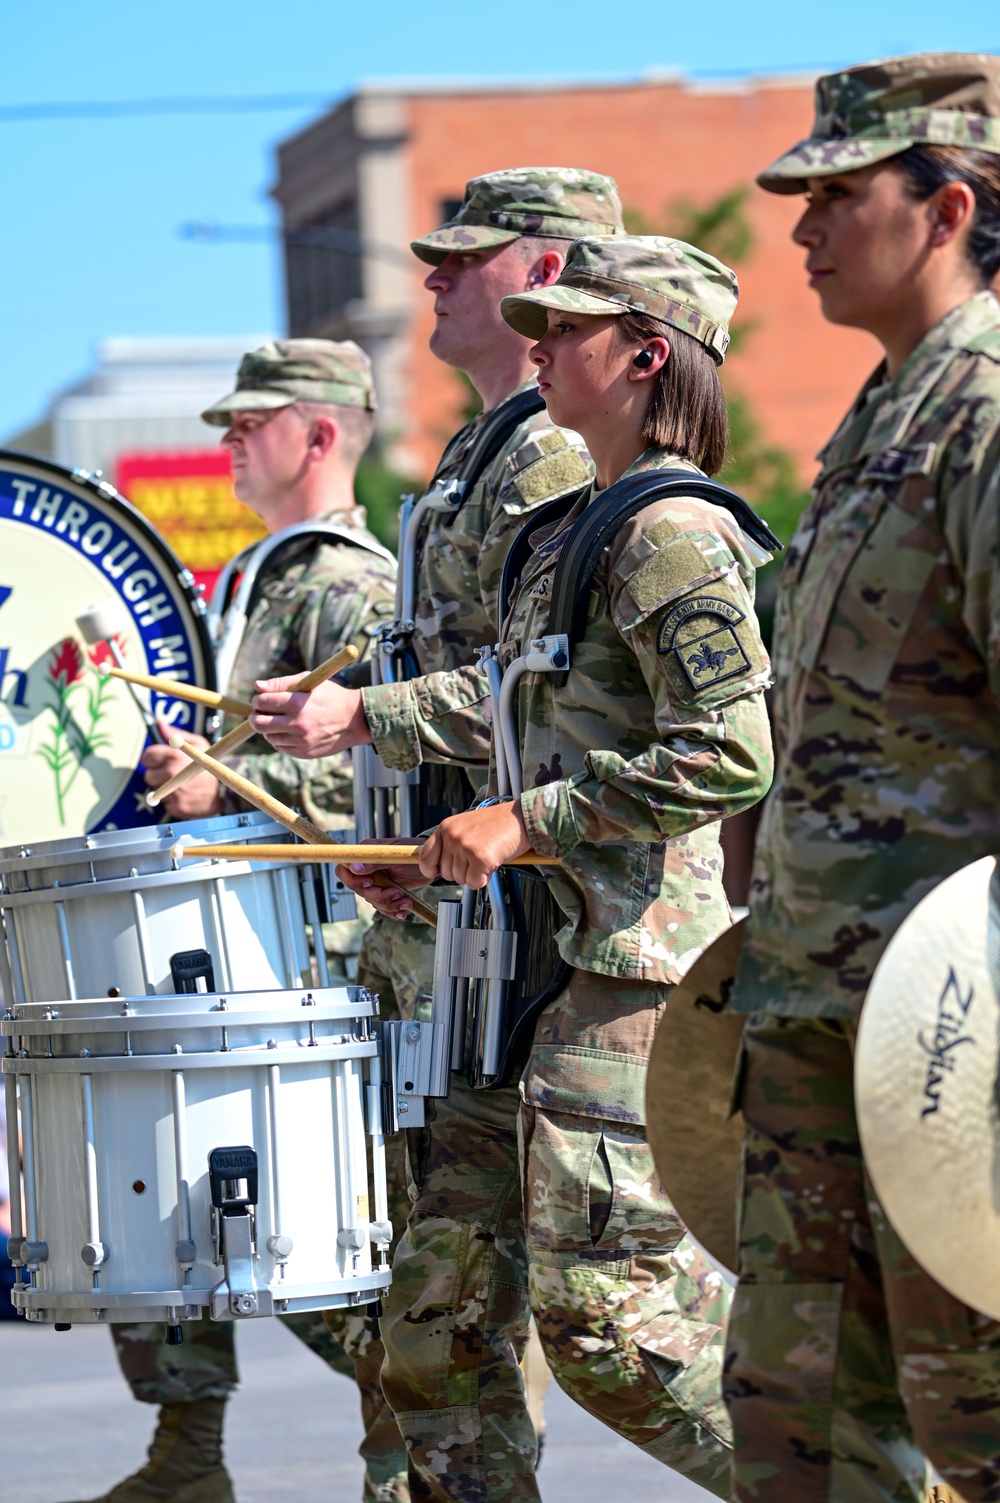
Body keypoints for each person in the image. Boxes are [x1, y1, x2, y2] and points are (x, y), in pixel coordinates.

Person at [325, 234, 775, 1501]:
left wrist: (523, 827)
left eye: (566, 323)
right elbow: (525, 718)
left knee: (614, 1332)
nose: (536, 341)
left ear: (644, 354)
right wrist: (442, 858)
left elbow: (729, 753)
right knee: (443, 1323)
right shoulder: (573, 530)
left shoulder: (675, 531)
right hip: (516, 958)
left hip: (623, 975)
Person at [248, 169, 623, 1492]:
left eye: (469, 257)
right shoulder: (479, 450)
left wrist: (364, 714)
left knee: (618, 1338)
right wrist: (402, 830)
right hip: (460, 931)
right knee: (439, 1331)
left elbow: (541, 692)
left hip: (556, 948)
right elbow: (472, 677)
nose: (436, 277)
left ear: (554, 271)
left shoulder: (555, 449)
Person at [720, 52, 1000, 1503]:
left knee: (980, 1425)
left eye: (839, 193)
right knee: (795, 1423)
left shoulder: (987, 414)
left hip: (952, 1047)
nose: (804, 227)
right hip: (817, 1022)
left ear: (945, 206)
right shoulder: (874, 423)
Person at [71, 340, 404, 1503]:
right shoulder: (256, 578)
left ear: (318, 435)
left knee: (299, 1250)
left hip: (312, 956)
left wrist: (222, 786)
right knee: (159, 1214)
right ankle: (188, 1458)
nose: (225, 441)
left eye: (247, 421)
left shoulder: (345, 585)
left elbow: (387, 784)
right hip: (225, 950)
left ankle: (412, 1458)